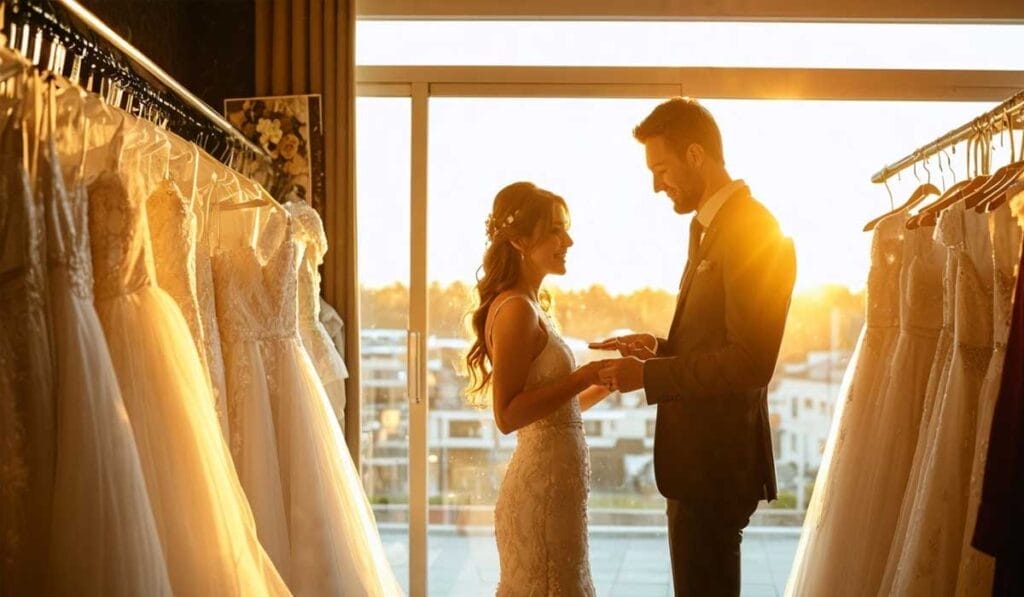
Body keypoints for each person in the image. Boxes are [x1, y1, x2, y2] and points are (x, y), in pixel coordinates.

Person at [591, 97, 797, 596]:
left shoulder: (754, 231)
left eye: (661, 168)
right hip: (695, 465)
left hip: (716, 466)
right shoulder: (706, 228)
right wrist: (657, 349)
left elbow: (750, 361)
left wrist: (650, 378)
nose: (657, 184)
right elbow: (715, 340)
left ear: (696, 155)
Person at [465, 181, 611, 596]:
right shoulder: (515, 310)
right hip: (541, 491)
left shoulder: (531, 305)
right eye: (555, 231)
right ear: (518, 239)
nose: (568, 240)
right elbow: (508, 415)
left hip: (557, 492)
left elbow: (558, 415)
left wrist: (604, 381)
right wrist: (583, 375)